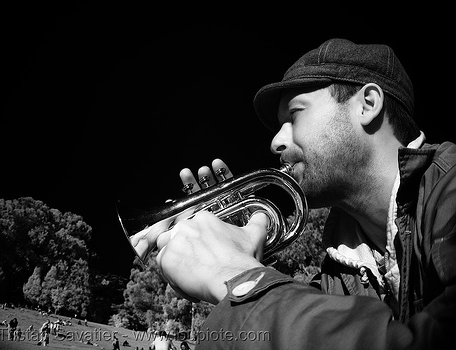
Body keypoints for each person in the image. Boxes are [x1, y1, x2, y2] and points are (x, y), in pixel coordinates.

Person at [154, 38, 455, 349]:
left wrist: (236, 275)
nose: (276, 143)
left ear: (367, 104)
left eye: (294, 116)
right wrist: (228, 266)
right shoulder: (336, 269)